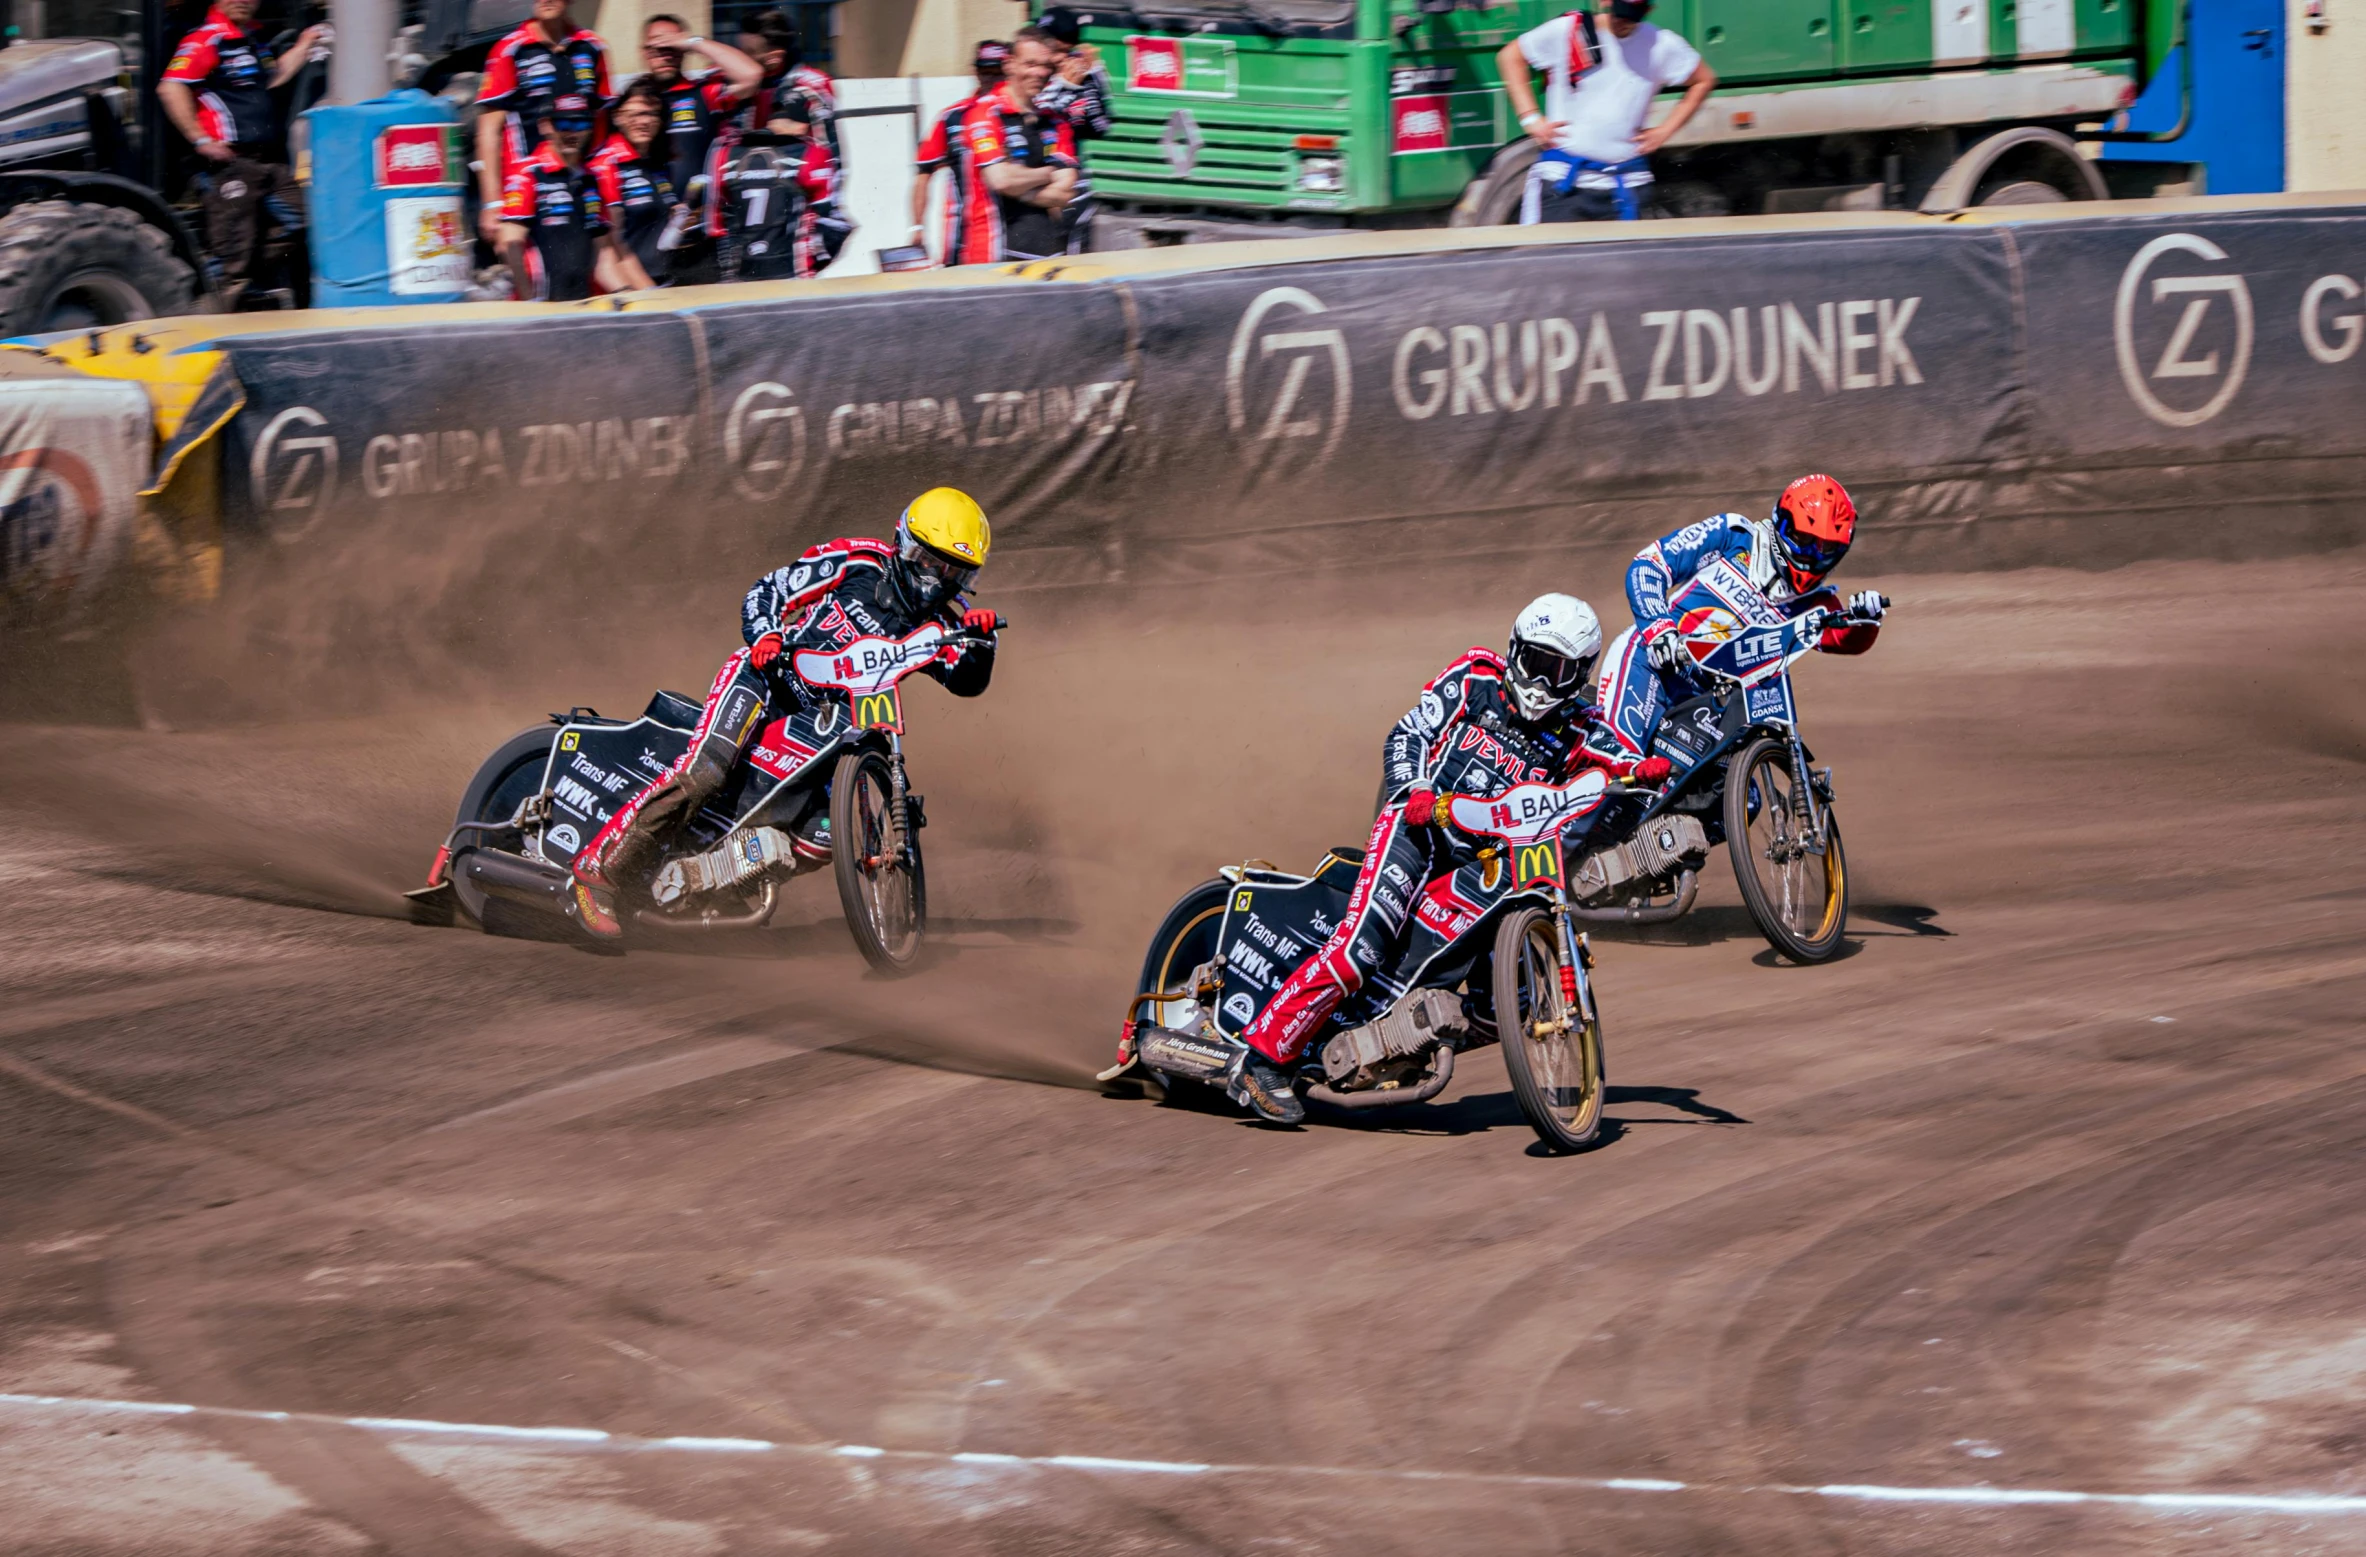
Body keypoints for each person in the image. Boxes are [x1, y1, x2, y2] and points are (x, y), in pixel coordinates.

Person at [1228, 596, 1671, 1124]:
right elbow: (1408, 733)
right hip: (1420, 828)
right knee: (1361, 950)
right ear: (1514, 650)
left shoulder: (1578, 724)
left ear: (1582, 674)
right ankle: (1260, 1062)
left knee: (1511, 1001)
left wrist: (1639, 771)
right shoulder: (1473, 677)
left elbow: (1609, 755)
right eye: (1536, 662)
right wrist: (1412, 791)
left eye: (1563, 671)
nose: (1545, 683)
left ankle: (1396, 1041)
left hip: (1489, 856)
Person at [570, 489, 1003, 938]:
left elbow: (966, 681)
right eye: (931, 561)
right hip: (766, 680)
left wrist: (982, 644)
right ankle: (598, 869)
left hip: (833, 724)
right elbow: (769, 590)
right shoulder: (857, 560)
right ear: (905, 544)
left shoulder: (947, 623)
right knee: (706, 774)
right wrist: (764, 637)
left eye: (955, 570)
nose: (938, 579)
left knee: (823, 836)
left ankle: (713, 880)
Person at [1590, 475, 1886, 767]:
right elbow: (1649, 565)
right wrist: (1659, 631)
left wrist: (1867, 619)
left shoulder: (1817, 604)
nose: (1811, 555)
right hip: (1653, 664)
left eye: (1825, 549)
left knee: (1744, 802)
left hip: (1710, 705)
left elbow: (1845, 639)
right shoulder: (1734, 535)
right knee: (1618, 762)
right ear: (1781, 523)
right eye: (1805, 539)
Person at [157, 0, 324, 306]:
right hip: (228, 163)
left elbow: (274, 76)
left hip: (266, 162)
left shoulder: (251, 39)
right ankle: (210, 311)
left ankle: (249, 283)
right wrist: (200, 140)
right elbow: (171, 87)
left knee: (305, 221)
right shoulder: (206, 38)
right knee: (232, 255)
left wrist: (305, 43)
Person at [1494, 0, 1715, 223]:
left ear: (1648, 10)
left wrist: (1665, 131)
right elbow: (1510, 57)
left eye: (1632, 17)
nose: (1623, 22)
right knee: (1546, 257)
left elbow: (1703, 80)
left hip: (1626, 186)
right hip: (1563, 183)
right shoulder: (1569, 31)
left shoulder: (1661, 44)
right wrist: (1530, 117)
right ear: (1605, 2)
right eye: (1618, 14)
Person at [476, 0, 612, 246]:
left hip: (580, 185)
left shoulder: (593, 46)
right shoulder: (510, 49)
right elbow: (488, 130)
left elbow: (602, 121)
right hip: (524, 186)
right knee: (531, 272)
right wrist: (493, 202)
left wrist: (600, 179)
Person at [946, 32, 1077, 265]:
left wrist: (1020, 187)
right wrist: (1047, 173)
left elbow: (1066, 192)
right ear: (1009, 65)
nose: (1040, 73)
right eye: (1031, 64)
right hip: (995, 256)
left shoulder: (1055, 120)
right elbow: (1001, 180)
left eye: (1046, 66)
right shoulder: (984, 113)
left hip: (1050, 254)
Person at [499, 96, 648, 301]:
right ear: (545, 126)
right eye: (563, 124)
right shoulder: (528, 173)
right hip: (540, 303)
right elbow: (508, 243)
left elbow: (602, 256)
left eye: (581, 123)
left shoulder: (590, 179)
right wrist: (528, 300)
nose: (572, 132)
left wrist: (627, 296)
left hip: (581, 302)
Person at [638, 14, 763, 202]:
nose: (665, 54)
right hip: (650, 220)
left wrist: (691, 41)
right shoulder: (634, 100)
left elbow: (751, 75)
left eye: (672, 47)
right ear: (645, 52)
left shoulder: (704, 92)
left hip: (701, 216)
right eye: (657, 47)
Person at [910, 41, 1008, 263]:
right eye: (985, 71)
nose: (991, 78)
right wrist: (917, 226)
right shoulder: (952, 117)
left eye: (998, 72)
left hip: (1012, 236)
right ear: (975, 72)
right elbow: (923, 173)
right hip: (961, 238)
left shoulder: (1020, 114)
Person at [589, 80, 686, 286]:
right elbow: (613, 244)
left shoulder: (656, 163)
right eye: (634, 114)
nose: (643, 121)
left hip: (666, 278)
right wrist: (649, 293)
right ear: (617, 117)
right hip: (634, 287)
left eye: (650, 114)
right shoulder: (606, 165)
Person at [1031, 23, 1111, 252]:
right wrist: (1065, 86)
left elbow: (1100, 127)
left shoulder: (1081, 77)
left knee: (1074, 257)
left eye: (1062, 51)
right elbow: (1036, 115)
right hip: (1036, 185)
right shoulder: (1035, 78)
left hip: (1073, 184)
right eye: (1051, 51)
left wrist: (1095, 78)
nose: (1056, 58)